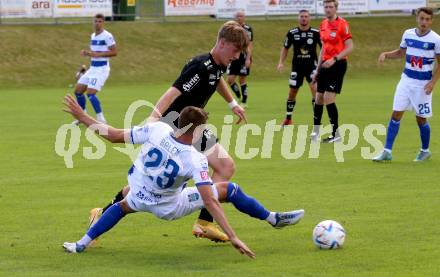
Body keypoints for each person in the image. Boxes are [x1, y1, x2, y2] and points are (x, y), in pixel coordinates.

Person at [62, 97, 305, 258]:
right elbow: (209, 201)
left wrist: (83, 117)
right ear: (196, 129)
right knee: (229, 189)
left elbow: (114, 135)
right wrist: (233, 236)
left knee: (122, 205)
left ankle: (80, 243)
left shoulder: (158, 129)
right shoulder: (195, 158)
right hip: (169, 207)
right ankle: (272, 218)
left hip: (139, 192)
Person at [88, 21, 249, 244]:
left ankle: (204, 223)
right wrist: (153, 119)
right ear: (222, 43)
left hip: (193, 126)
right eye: (235, 50)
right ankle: (102, 215)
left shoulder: (216, 64)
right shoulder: (200, 66)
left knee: (224, 166)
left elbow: (217, 79)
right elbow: (172, 92)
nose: (237, 56)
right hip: (175, 125)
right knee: (150, 186)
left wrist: (233, 103)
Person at [373, 7, 440, 162]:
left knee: (421, 119)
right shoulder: (408, 34)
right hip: (406, 81)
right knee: (396, 113)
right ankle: (387, 152)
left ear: (431, 21)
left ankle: (425, 151)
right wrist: (386, 54)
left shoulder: (436, 39)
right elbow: (401, 52)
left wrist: (432, 82)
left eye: (427, 19)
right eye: (422, 18)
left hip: (423, 85)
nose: (424, 22)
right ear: (417, 18)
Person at [311, 0, 353, 143]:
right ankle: (315, 132)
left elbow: (350, 47)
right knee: (318, 98)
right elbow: (323, 47)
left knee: (329, 98)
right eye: (326, 7)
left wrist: (334, 59)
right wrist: (317, 69)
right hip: (324, 64)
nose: (328, 9)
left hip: (338, 64)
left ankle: (336, 134)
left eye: (330, 7)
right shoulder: (323, 24)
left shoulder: (343, 24)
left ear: (336, 9)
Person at [277, 10, 321, 126]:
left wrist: (323, 63)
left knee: (315, 91)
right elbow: (285, 48)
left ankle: (317, 121)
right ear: (298, 18)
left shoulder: (316, 33)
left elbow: (324, 48)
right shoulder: (292, 33)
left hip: (312, 67)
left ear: (309, 18)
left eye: (306, 16)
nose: (304, 19)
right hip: (297, 68)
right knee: (292, 93)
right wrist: (281, 62)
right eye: (302, 16)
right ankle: (288, 119)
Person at [72, 13, 117, 125]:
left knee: (91, 94)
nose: (97, 24)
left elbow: (114, 52)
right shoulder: (93, 36)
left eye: (100, 21)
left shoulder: (107, 36)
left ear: (103, 23)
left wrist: (99, 55)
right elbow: (94, 53)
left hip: (101, 69)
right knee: (78, 91)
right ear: (93, 22)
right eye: (96, 21)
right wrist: (87, 53)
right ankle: (82, 117)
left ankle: (101, 119)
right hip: (92, 68)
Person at [226, 10, 253, 108]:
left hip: (244, 57)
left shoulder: (248, 29)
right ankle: (239, 96)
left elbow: (250, 45)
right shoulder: (232, 28)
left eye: (241, 16)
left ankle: (244, 101)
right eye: (237, 16)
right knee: (230, 80)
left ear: (244, 17)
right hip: (233, 57)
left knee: (242, 80)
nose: (239, 18)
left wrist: (248, 59)